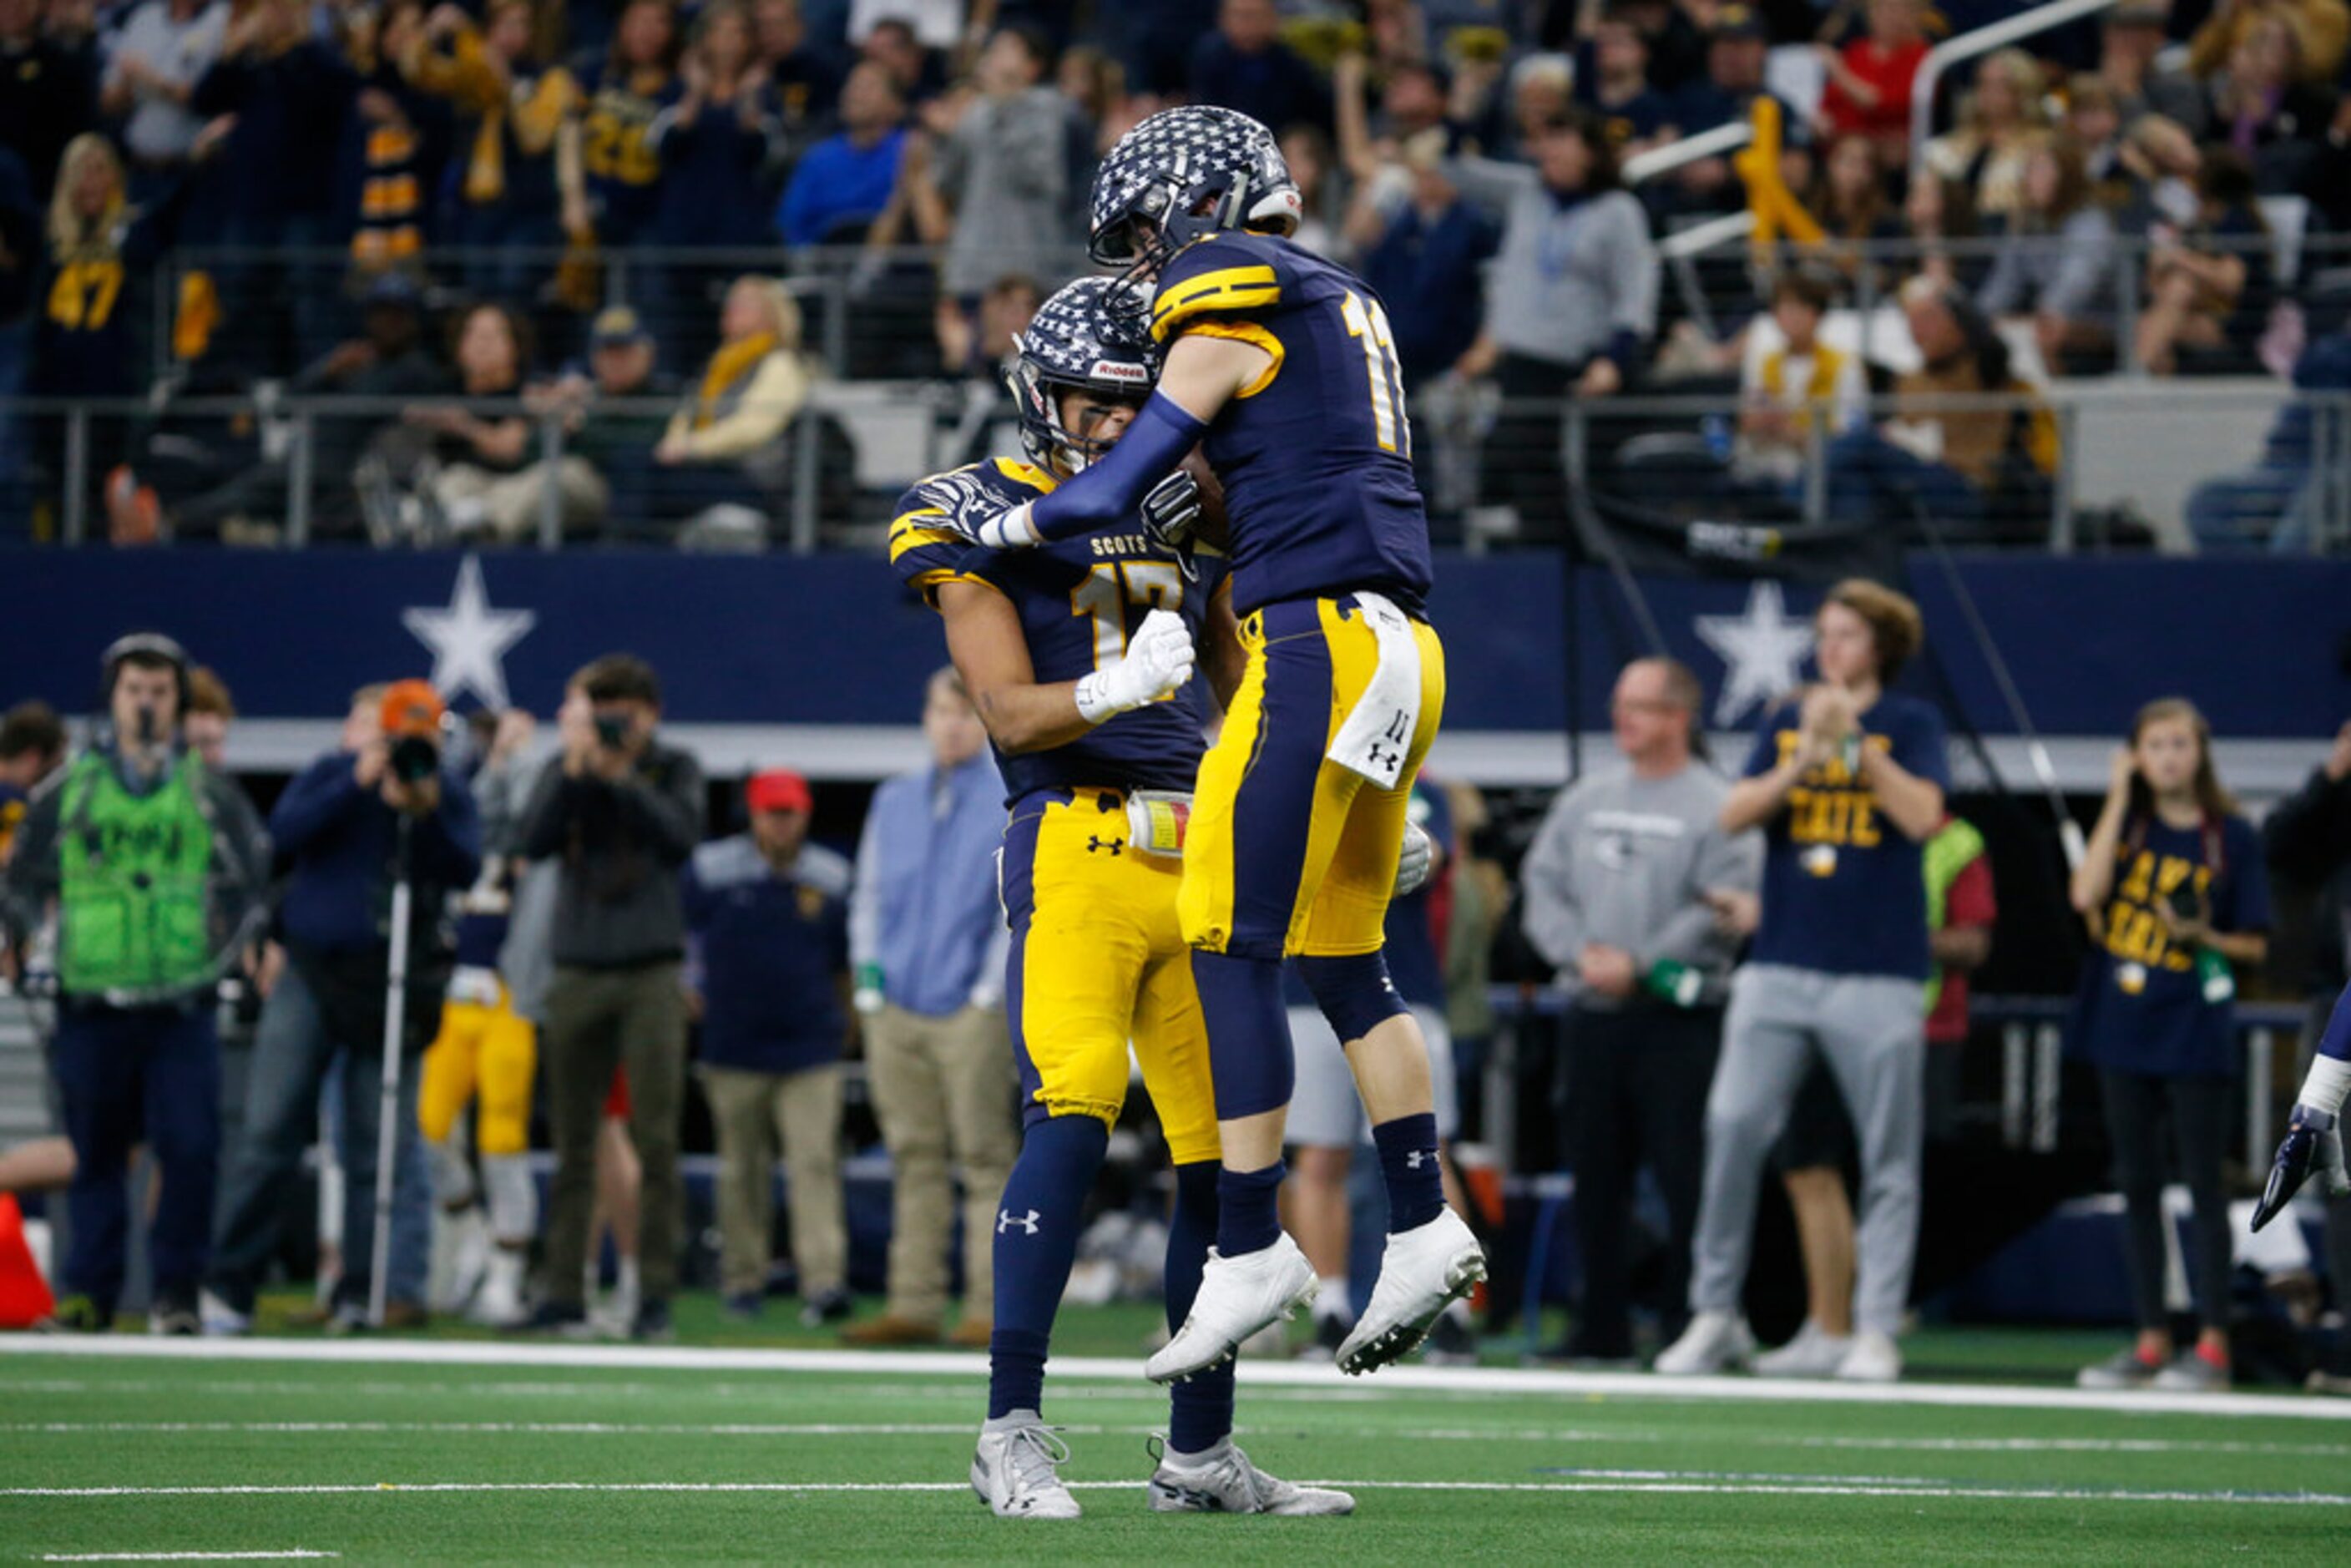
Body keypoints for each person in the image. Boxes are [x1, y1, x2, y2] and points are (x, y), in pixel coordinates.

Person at [942, 105, 1485, 1382]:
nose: (1144, 266)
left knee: (1227, 934)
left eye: (1144, 235)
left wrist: (1022, 534)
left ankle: (1250, 1241)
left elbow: (1113, 483)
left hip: (1313, 639)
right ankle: (1422, 1217)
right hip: (1399, 638)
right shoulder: (1336, 299)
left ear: (1194, 207)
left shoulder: (1223, 286)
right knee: (1347, 958)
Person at [888, 275, 1348, 1518]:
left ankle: (1199, 1451)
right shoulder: (971, 509)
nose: (1114, 428)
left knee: (1219, 1157)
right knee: (1075, 1115)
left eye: (1131, 406)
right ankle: (1009, 1428)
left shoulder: (1178, 515)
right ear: (1043, 396)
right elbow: (1003, 710)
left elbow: (1256, 691)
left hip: (1194, 852)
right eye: (1096, 403)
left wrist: (1335, 798)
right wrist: (1109, 693)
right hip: (1075, 844)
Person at [1657, 579, 1949, 1384]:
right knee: (1733, 1129)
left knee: (1888, 1159)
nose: (1830, 649)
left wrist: (1851, 743)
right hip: (1780, 964)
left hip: (1879, 975)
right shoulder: (1788, 718)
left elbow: (1924, 816)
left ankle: (1877, 1328)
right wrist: (1807, 759)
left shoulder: (1911, 723)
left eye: (1847, 635)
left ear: (1880, 645)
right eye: (1825, 633)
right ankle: (1715, 1312)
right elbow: (1735, 812)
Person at [1, 635, 268, 1333]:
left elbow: (250, 882)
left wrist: (228, 954)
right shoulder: (71, 788)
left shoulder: (206, 791)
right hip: (91, 995)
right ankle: (89, 1292)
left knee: (190, 1146)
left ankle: (176, 1292)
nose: (146, 704)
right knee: (94, 1155)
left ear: (177, 702)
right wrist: (18, 939)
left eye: (158, 692)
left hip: (182, 997)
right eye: (133, 691)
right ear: (111, 698)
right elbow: (22, 879)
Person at [205, 682, 481, 1334]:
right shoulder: (334, 772)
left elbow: (465, 866)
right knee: (270, 1130)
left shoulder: (442, 787)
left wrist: (424, 806)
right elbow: (284, 834)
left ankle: (370, 1289)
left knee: (377, 1142)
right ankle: (230, 1287)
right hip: (311, 970)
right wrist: (357, 782)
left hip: (392, 979)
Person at [1520, 657, 1760, 1363]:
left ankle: (1689, 1322)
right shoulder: (1586, 798)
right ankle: (1600, 1326)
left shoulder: (1719, 803)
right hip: (1592, 1010)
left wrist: (1642, 963)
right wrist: (1580, 955)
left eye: (1644, 706)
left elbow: (1723, 901)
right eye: (1621, 703)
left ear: (1680, 717)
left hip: (1677, 1018)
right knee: (1595, 1177)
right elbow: (1543, 885)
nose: (1625, 718)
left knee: (1685, 1174)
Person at [2070, 700, 2268, 1393]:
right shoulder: (2129, 826)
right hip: (2120, 1027)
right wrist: (2119, 793)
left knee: (2204, 1184)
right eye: (2154, 746)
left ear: (2200, 754)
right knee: (2137, 1183)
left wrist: (2202, 938)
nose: (2168, 758)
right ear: (2137, 755)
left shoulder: (2232, 838)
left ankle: (2213, 1342)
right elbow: (2085, 893)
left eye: (2180, 744)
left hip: (2193, 1029)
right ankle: (2151, 1336)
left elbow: (2256, 943)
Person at [515, 654, 705, 1340]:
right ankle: (561, 1290)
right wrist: (576, 771)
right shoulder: (565, 767)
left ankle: (652, 1293)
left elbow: (681, 839)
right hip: (576, 968)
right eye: (601, 710)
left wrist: (621, 777)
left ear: (648, 715)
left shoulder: (674, 765)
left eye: (621, 711)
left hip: (651, 970)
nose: (611, 724)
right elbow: (530, 842)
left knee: (656, 1139)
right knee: (571, 1142)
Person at [842, 668, 1014, 1351]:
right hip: (895, 1006)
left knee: (983, 1157)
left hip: (969, 1009)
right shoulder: (894, 799)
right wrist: (869, 984)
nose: (952, 725)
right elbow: (869, 894)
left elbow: (1013, 906)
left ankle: (990, 1308)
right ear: (925, 717)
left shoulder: (1009, 797)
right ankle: (912, 1304)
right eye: (942, 711)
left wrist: (985, 992)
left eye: (966, 713)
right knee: (912, 1155)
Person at [682, 767, 852, 1326]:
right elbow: (682, 934)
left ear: (805, 814)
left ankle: (824, 1283)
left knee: (814, 1165)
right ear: (753, 815)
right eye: (772, 813)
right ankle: (742, 1279)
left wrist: (843, 1025)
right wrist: (688, 984)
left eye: (792, 813)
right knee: (741, 1171)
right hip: (733, 1044)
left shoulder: (830, 876)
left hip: (809, 1044)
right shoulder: (711, 871)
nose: (782, 824)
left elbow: (844, 962)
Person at [1448, 109, 1658, 539]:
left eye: (1565, 140)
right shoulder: (1528, 195)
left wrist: (1615, 359)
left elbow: (1636, 291)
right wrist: (1463, 112)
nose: (1551, 151)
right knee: (1507, 471)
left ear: (1593, 153)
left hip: (1574, 368)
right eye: (1548, 141)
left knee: (1554, 481)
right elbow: (1455, 170)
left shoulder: (1620, 211)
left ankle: (1563, 565)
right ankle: (1523, 562)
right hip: (1516, 363)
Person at [416, 707, 540, 1328]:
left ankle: (506, 1276)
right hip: (453, 999)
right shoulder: (453, 831)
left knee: (503, 1139)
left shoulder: (533, 837)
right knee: (428, 1126)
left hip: (509, 998)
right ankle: (468, 1232)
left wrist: (514, 765)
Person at [1822, 276, 2057, 534]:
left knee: (1862, 443)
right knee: (1855, 483)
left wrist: (1949, 292)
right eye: (1911, 322)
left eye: (1928, 319)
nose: (1918, 330)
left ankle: (1794, 503)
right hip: (1913, 482)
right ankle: (1849, 554)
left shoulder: (1984, 369)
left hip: (1965, 486)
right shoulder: (1907, 380)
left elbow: (1988, 338)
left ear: (1958, 323)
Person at [400, 0, 581, 308]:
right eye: (503, 25)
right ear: (489, 31)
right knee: (479, 293)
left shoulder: (552, 79)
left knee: (513, 290)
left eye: (521, 25)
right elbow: (417, 72)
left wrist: (506, 81)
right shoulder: (475, 80)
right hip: (482, 209)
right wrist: (432, 31)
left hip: (532, 211)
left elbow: (534, 136)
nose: (511, 34)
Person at [649, 275, 815, 533]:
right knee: (642, 467)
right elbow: (687, 415)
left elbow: (754, 428)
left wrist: (690, 446)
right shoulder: (719, 364)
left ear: (773, 314)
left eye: (745, 302)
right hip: (709, 468)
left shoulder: (780, 363)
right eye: (732, 301)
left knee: (649, 479)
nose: (732, 307)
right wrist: (674, 443)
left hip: (753, 479)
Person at [520, 304, 675, 540]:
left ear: (647, 354)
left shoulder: (664, 398)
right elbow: (528, 453)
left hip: (619, 501)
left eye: (624, 352)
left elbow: (640, 447)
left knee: (560, 477)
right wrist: (557, 426)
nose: (615, 361)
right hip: (563, 505)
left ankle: (487, 525)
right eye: (607, 352)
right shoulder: (585, 397)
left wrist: (582, 430)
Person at [1976, 135, 2117, 371]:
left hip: (2098, 320)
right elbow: (2004, 284)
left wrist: (2049, 310)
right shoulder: (2026, 225)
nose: (2030, 179)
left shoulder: (2090, 220)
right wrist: (1976, 319)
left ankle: (2053, 402)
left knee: (2044, 332)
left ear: (2066, 177)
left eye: (2040, 170)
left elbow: (2078, 278)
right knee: (1985, 333)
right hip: (2047, 318)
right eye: (2028, 170)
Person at [569, 0, 682, 251]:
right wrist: (573, 198)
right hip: (586, 208)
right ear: (622, 26)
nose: (647, 32)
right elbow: (568, 135)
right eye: (640, 21)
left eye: (658, 22)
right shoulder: (593, 75)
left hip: (648, 218)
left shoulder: (680, 89)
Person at [775, 59, 908, 245]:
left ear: (897, 105)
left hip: (897, 265)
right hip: (821, 266)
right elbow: (790, 226)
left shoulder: (911, 153)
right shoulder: (817, 159)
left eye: (868, 87)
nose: (855, 94)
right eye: (852, 86)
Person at [1816, 0, 1929, 167]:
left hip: (1885, 157)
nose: (1892, 17)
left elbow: (1883, 103)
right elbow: (1830, 99)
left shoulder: (1922, 58)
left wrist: (1838, 71)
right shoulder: (1856, 50)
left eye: (1900, 10)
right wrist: (1820, 118)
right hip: (1835, 147)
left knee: (1856, 156)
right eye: (1884, 9)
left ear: (1915, 15)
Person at [1188, 0, 1326, 136]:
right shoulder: (1209, 58)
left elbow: (1313, 108)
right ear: (1223, 19)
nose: (1249, 24)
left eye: (1257, 15)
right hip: (1222, 137)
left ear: (1273, 19)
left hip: (1276, 137)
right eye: (1241, 16)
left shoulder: (1289, 60)